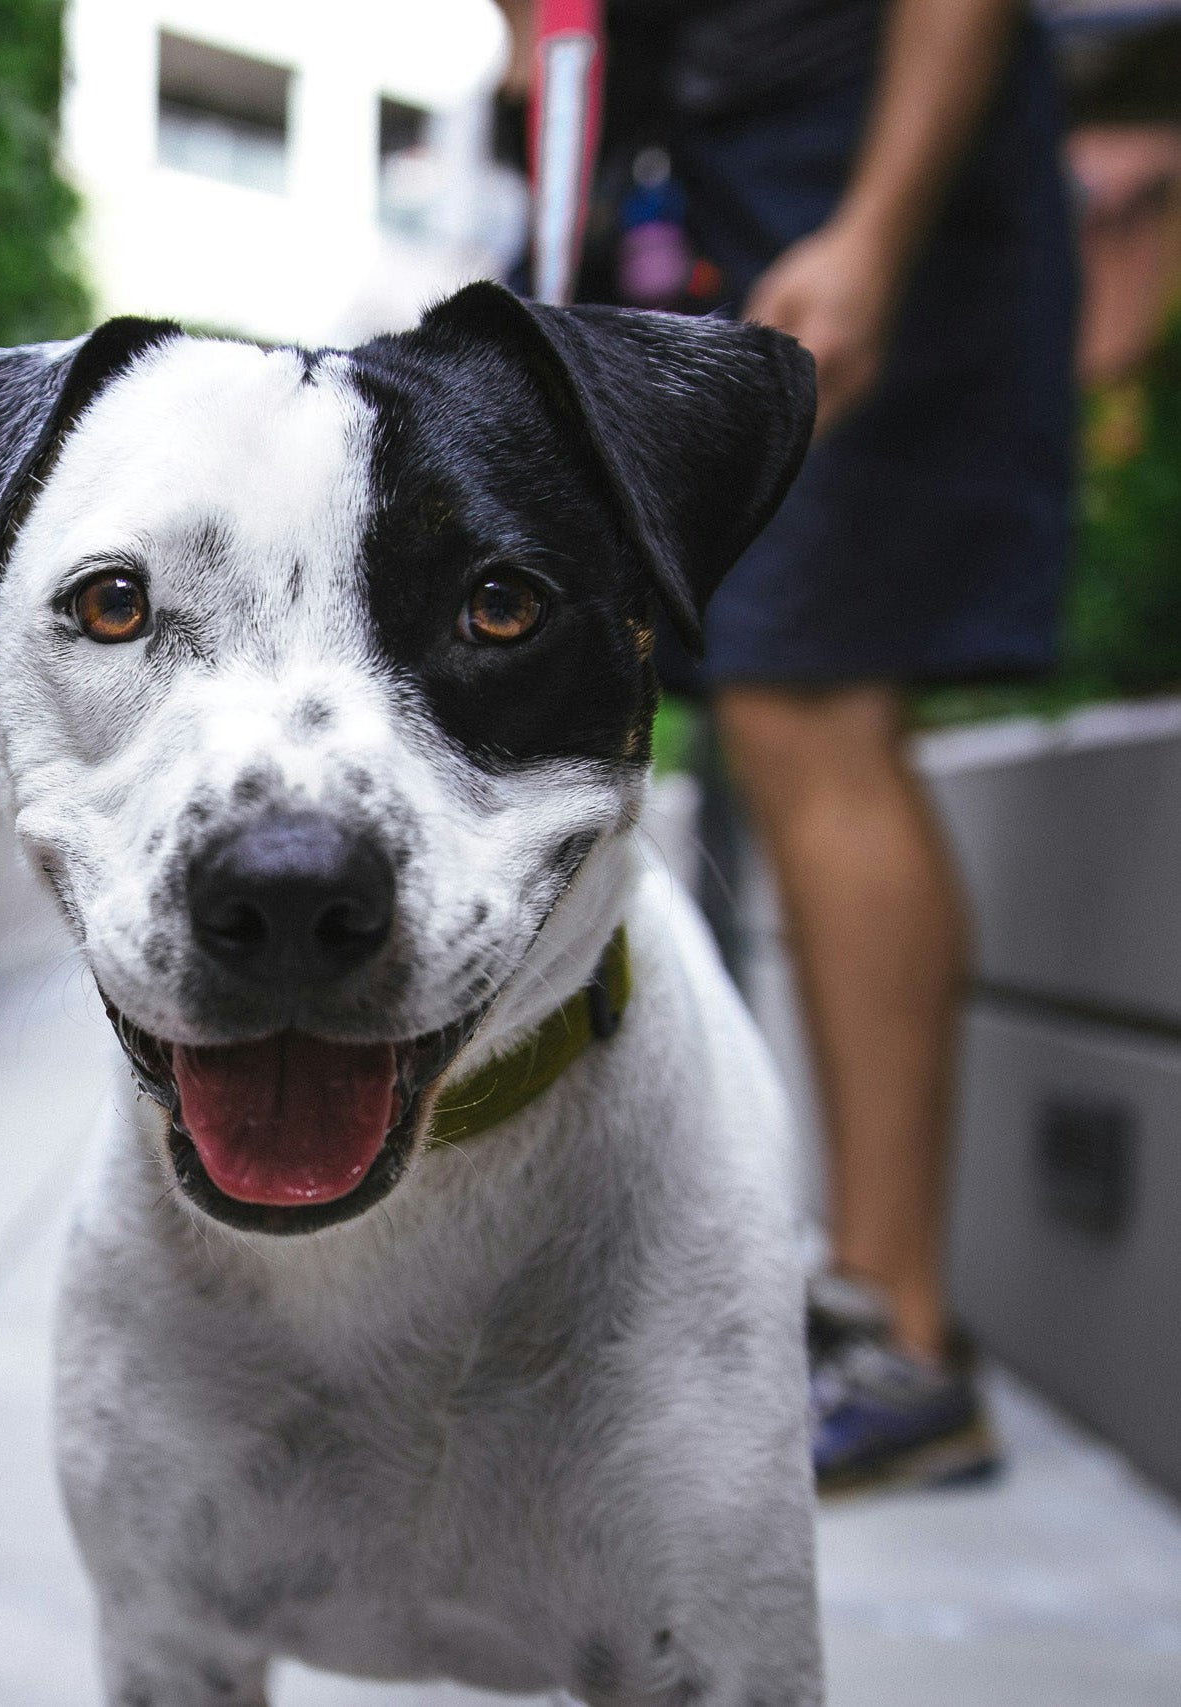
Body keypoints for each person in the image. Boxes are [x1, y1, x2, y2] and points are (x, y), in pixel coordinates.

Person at [498, 0, 1078, 1494]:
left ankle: (902, 1341)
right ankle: (791, 1298)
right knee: (674, 688)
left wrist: (878, 228)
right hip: (690, 163)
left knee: (809, 701)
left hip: (865, 167)